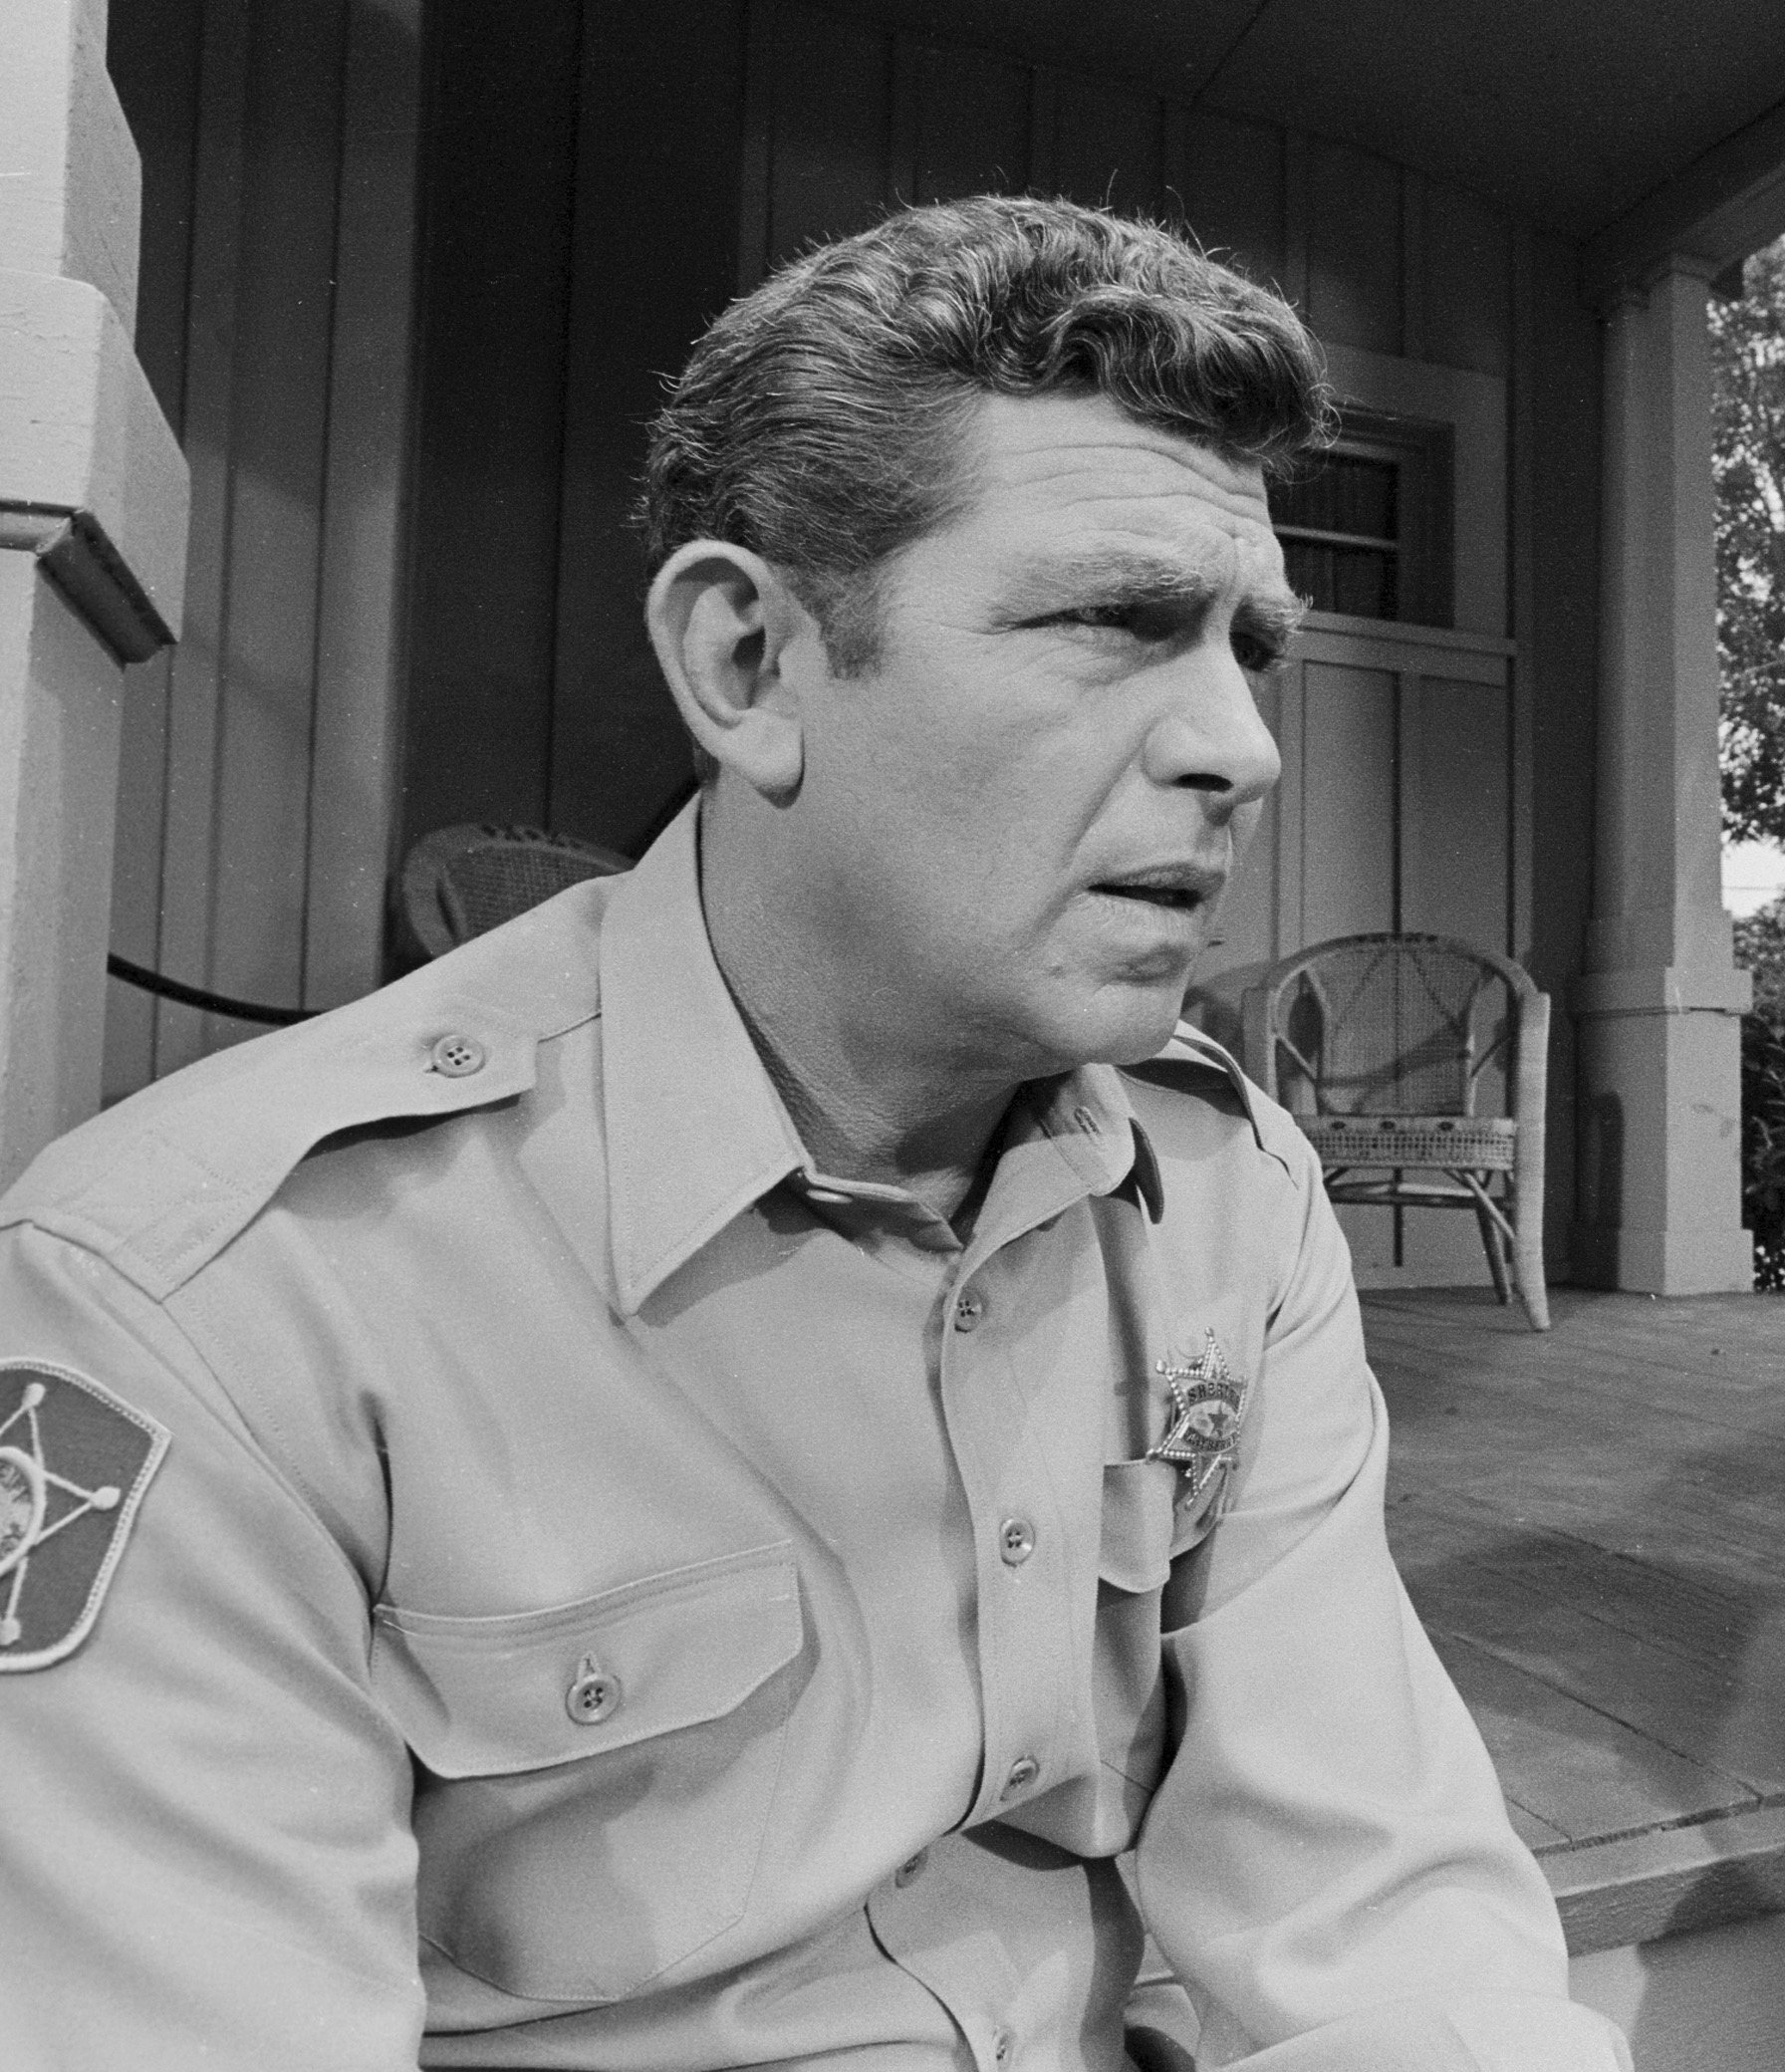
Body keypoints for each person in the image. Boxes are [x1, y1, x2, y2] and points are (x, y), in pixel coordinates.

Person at [0, 195, 1629, 2072]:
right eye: (1117, 620)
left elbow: (1374, 1908)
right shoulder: (211, 1300)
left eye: (1251, 649)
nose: (1244, 747)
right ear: (749, 665)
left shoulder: (1223, 1197)